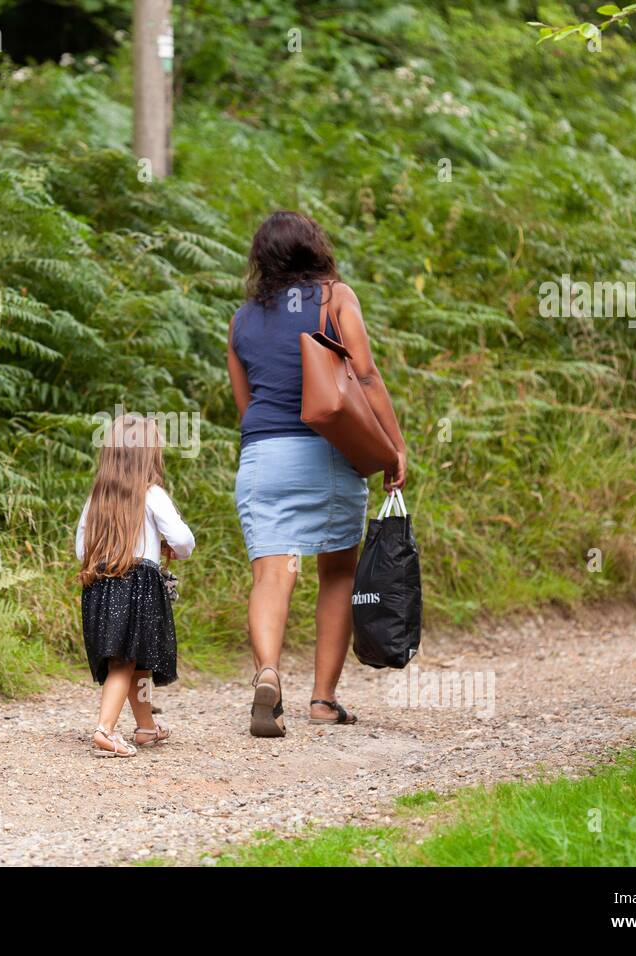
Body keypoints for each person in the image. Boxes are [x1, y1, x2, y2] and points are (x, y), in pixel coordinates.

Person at [227, 211, 407, 737]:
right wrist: (394, 447)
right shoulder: (335, 298)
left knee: (272, 572)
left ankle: (267, 672)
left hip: (262, 458)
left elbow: (246, 406)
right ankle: (323, 701)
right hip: (323, 452)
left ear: (262, 259)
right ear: (316, 248)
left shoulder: (241, 319)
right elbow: (366, 377)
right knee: (337, 571)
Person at [75, 414, 196, 757]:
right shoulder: (152, 494)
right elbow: (184, 541)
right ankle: (105, 729)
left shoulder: (96, 499)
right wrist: (163, 544)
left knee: (135, 660)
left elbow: (81, 550)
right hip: (138, 586)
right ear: (150, 455)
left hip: (99, 586)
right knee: (123, 663)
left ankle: (146, 727)